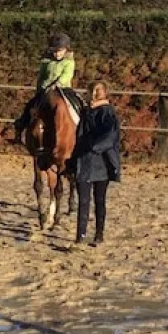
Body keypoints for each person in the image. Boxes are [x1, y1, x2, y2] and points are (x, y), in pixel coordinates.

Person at [71, 80, 121, 246]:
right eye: (92, 91)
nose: (94, 95)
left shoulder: (107, 113)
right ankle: (81, 236)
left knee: (99, 199)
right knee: (83, 201)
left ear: (105, 93)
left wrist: (94, 147)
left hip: (101, 163)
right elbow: (77, 137)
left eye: (97, 91)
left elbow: (110, 137)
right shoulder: (85, 113)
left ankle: (99, 234)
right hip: (84, 162)